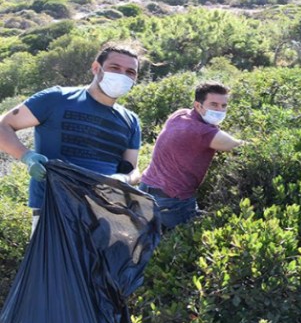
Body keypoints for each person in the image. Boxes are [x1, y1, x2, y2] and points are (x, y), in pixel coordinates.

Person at [0, 41, 143, 229]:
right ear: (96, 68)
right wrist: (27, 157)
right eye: (114, 68)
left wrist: (124, 179)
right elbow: (4, 126)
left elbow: (132, 169)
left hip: (103, 217)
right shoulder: (56, 99)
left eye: (130, 72)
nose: (122, 75)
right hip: (53, 214)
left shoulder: (130, 121)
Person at [139, 82, 246, 230]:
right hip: (172, 199)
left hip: (146, 187)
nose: (220, 110)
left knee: (149, 239)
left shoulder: (180, 114)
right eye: (214, 104)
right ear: (198, 105)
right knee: (183, 242)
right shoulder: (202, 132)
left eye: (224, 106)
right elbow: (238, 146)